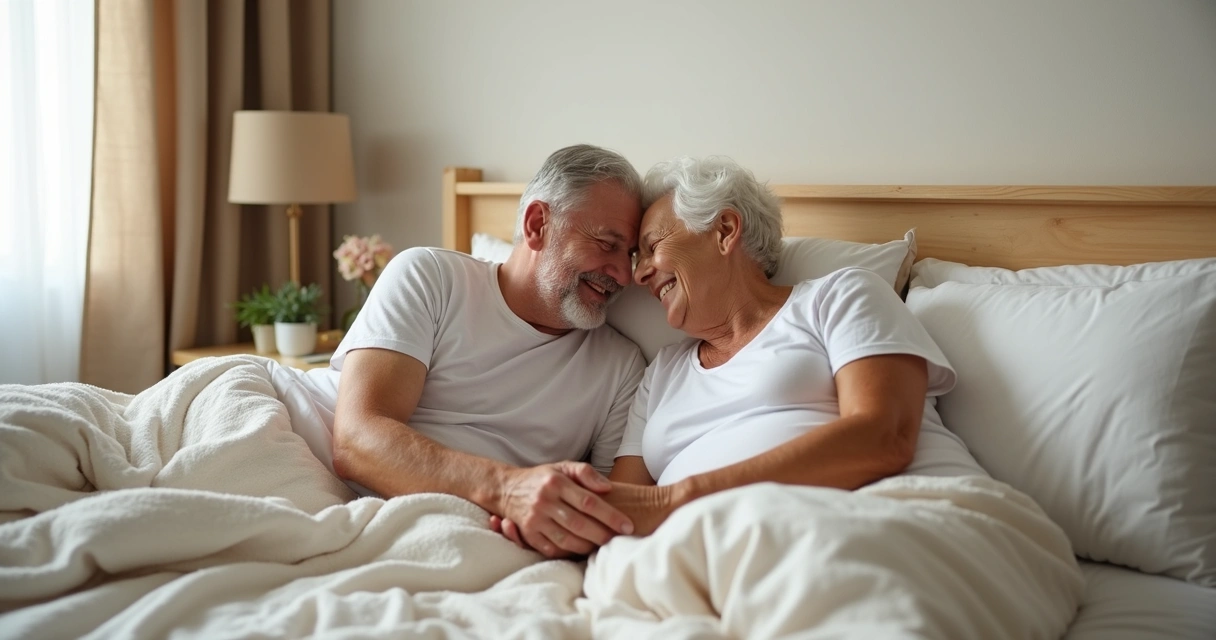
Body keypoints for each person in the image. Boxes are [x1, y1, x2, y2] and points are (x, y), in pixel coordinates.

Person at [492, 156, 986, 544]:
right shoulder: (661, 372)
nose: (637, 274)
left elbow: (884, 436)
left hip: (874, 521)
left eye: (652, 246)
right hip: (716, 548)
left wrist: (679, 500)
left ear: (725, 231)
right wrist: (554, 519)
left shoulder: (838, 297)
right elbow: (624, 506)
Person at [321, 144, 648, 558]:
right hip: (338, 487)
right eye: (606, 244)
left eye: (630, 254)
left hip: (468, 538)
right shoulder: (431, 277)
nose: (624, 275)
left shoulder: (621, 368)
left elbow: (604, 512)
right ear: (537, 224)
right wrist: (507, 490)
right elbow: (356, 441)